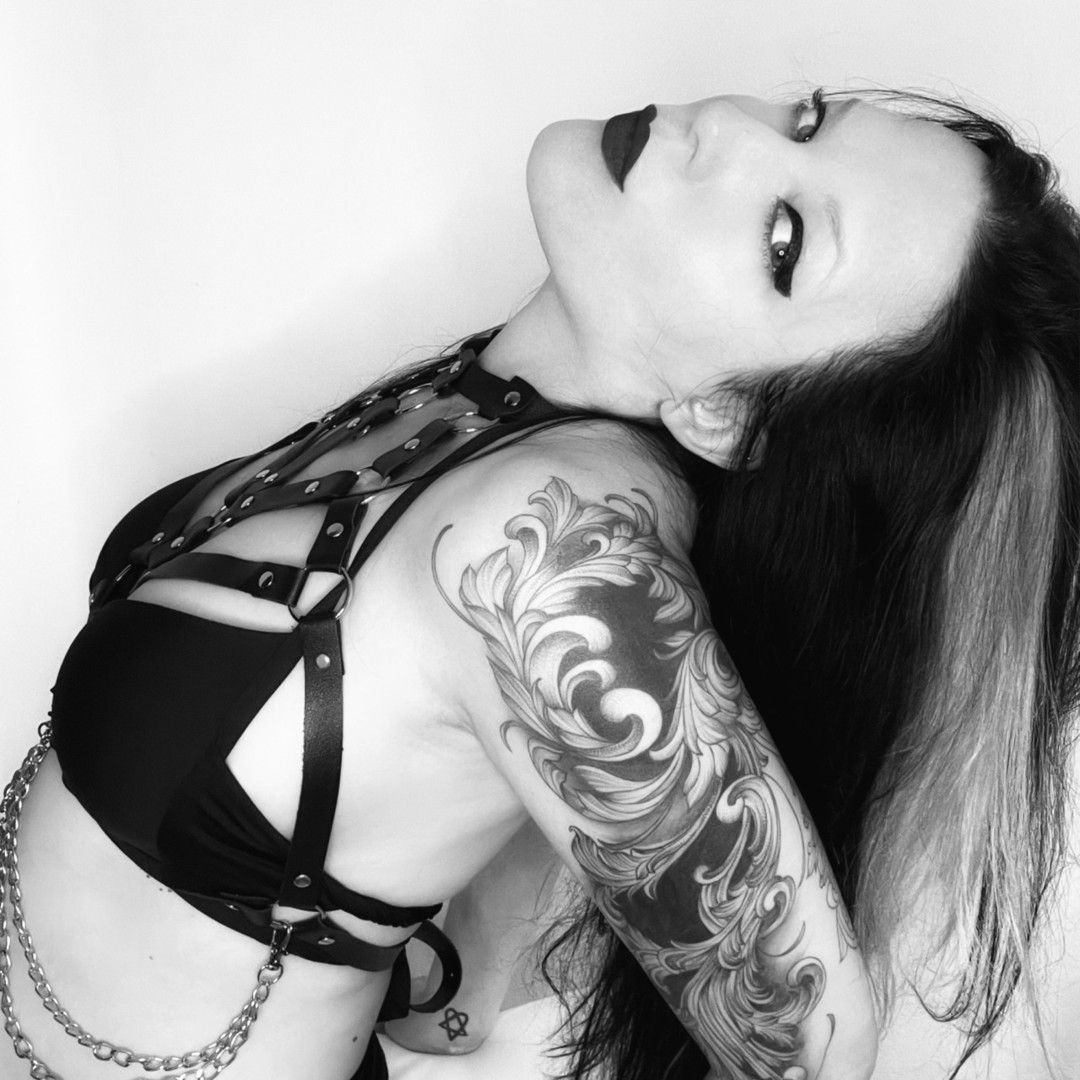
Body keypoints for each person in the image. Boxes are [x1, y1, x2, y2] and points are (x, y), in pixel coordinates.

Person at [0, 85, 1076, 1080]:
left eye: (785, 239)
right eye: (804, 120)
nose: (725, 127)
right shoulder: (490, 405)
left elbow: (813, 1049)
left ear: (727, 411)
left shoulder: (549, 552)